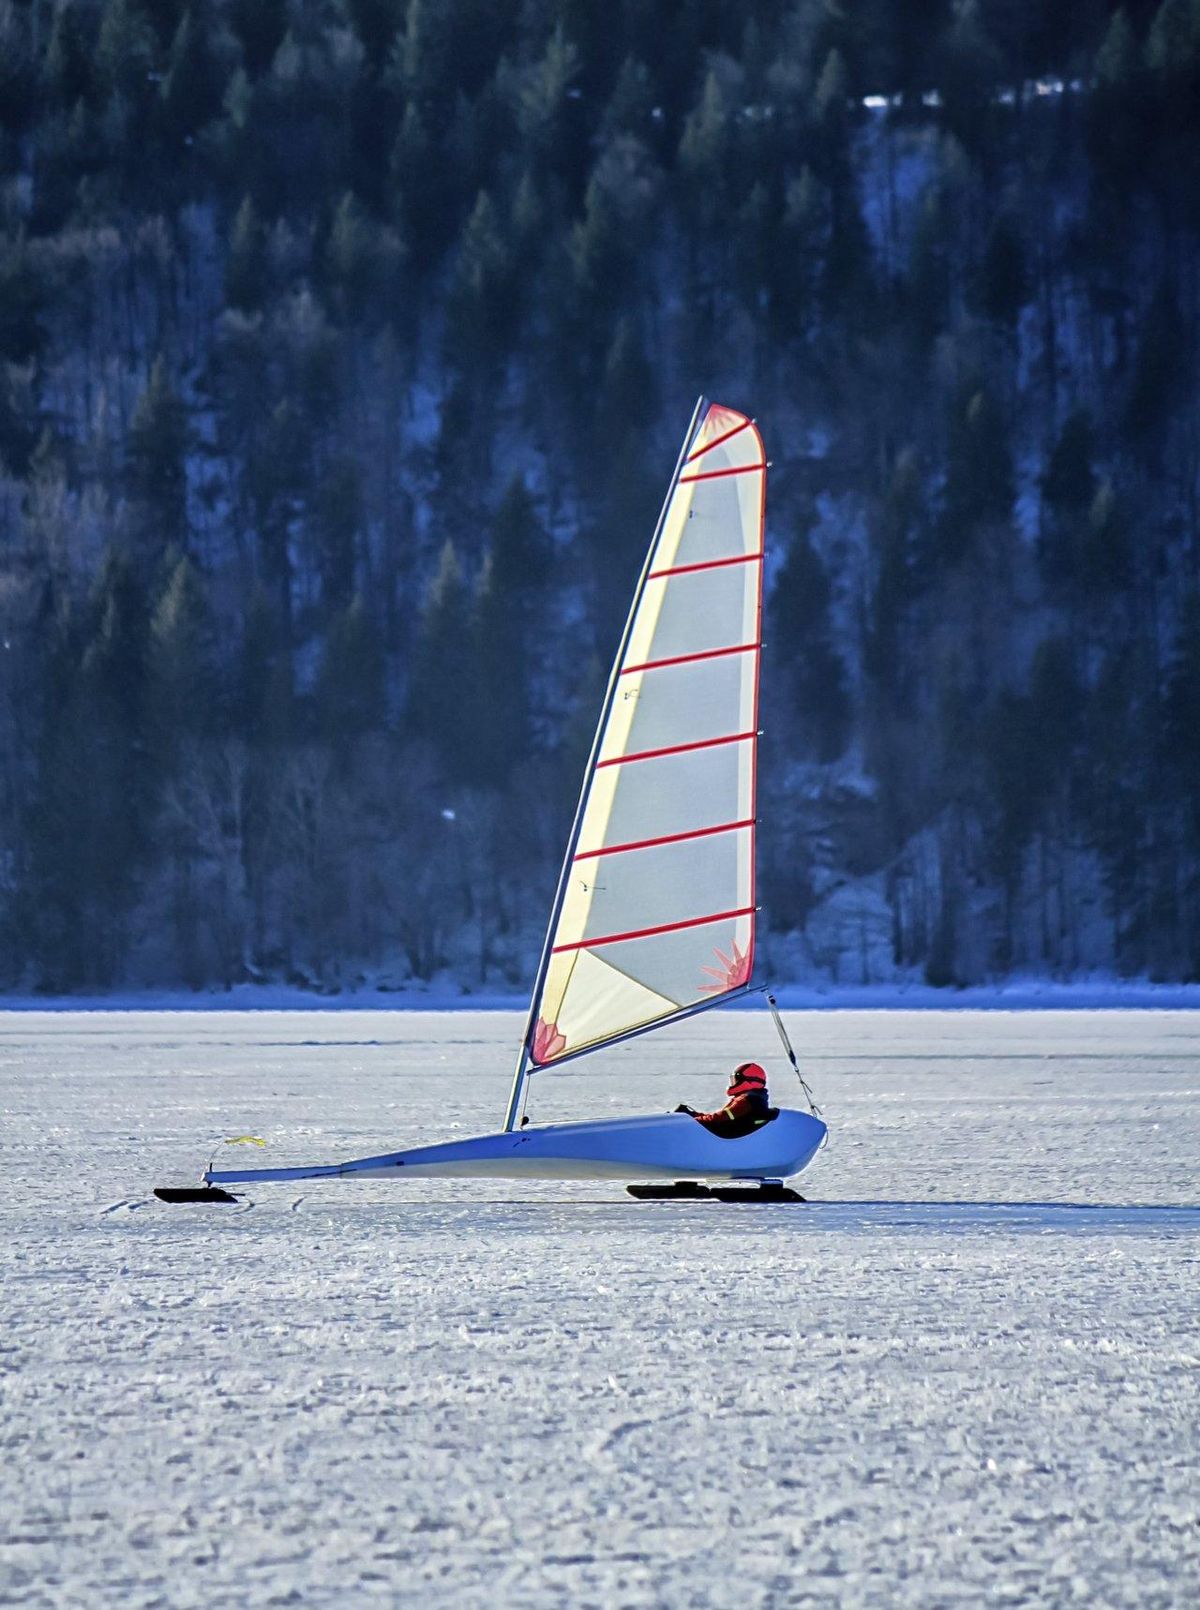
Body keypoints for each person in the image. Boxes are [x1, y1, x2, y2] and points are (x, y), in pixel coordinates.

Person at [675, 1062, 775, 1138]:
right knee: (685, 1112)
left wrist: (691, 1121)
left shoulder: (746, 1100)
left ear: (748, 1081)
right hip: (727, 1133)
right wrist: (694, 1115)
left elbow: (720, 1118)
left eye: (736, 1079)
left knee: (682, 1119)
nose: (733, 1083)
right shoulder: (753, 1099)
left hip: (724, 1137)